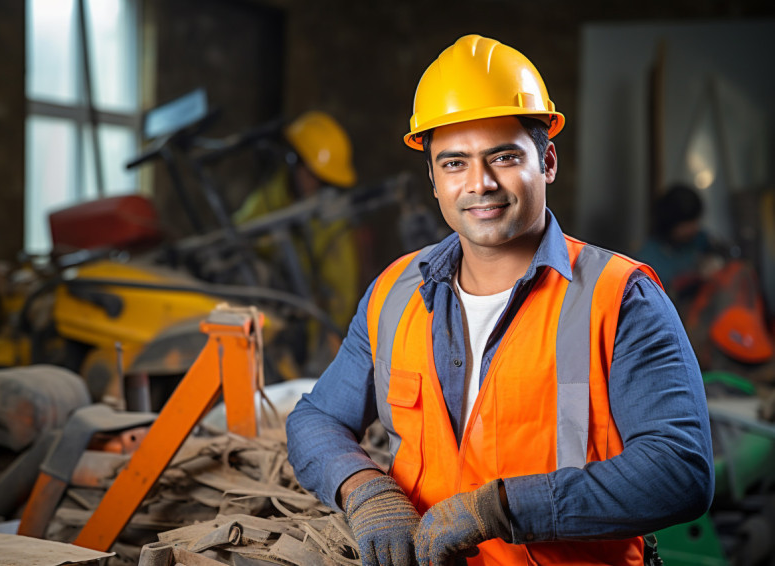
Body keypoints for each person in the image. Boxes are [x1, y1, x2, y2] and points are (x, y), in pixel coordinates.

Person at [285, 34, 714, 566]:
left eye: (504, 157)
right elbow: (314, 420)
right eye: (454, 163)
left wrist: (501, 509)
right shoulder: (395, 292)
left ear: (548, 161)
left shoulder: (619, 297)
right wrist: (364, 489)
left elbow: (679, 471)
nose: (479, 183)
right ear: (433, 179)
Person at [234, 111, 361, 365]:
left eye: (323, 180)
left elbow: (341, 291)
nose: (315, 185)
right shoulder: (269, 201)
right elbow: (236, 238)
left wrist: (332, 337)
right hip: (273, 327)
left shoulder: (330, 221)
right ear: (293, 162)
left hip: (317, 335)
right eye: (311, 174)